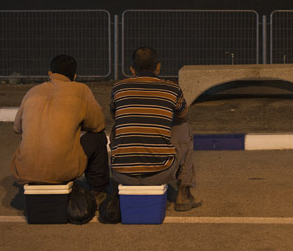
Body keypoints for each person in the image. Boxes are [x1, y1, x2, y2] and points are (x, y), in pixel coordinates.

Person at [109, 46, 201, 211]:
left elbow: (115, 115)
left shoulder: (119, 88)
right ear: (158, 67)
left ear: (131, 69)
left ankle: (119, 184)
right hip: (160, 172)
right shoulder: (172, 89)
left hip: (122, 173)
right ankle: (184, 194)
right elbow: (184, 116)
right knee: (185, 128)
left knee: (119, 127)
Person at [11, 55, 109, 203]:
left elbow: (17, 128)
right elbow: (98, 125)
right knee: (98, 137)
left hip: (23, 171)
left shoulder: (32, 91)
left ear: (50, 74)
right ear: (74, 76)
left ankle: (36, 171)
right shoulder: (81, 90)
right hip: (63, 171)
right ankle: (97, 192)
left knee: (28, 135)